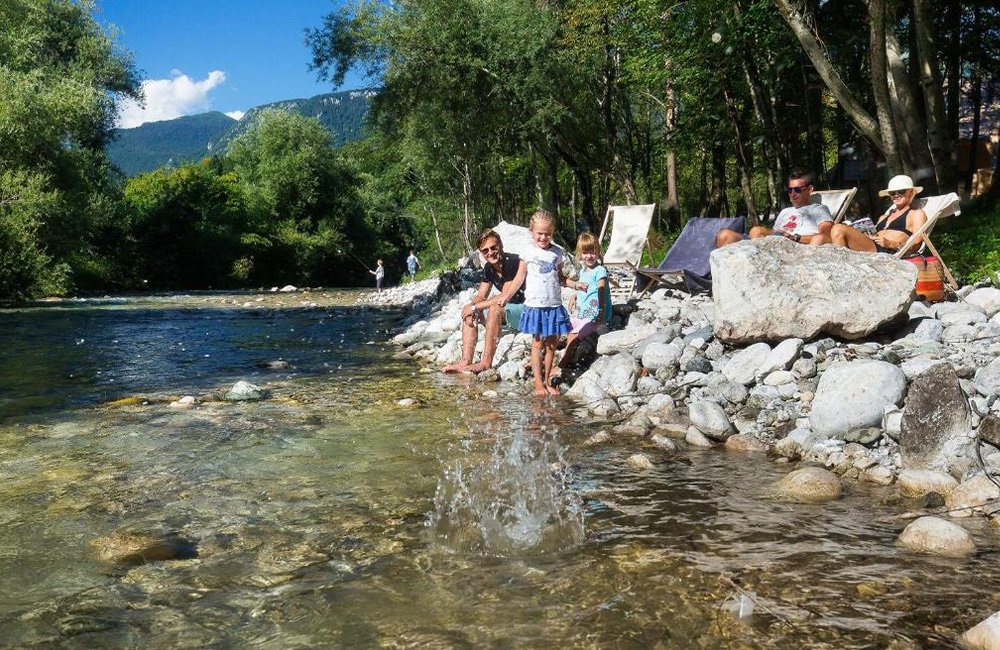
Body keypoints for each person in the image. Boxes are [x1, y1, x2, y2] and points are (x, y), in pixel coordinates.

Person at [443, 230, 527, 374]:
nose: (490, 253)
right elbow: (481, 295)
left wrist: (476, 307)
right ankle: (465, 361)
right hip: (509, 311)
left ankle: (486, 362)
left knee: (494, 308)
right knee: (469, 311)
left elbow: (504, 296)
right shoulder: (489, 268)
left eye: (494, 247)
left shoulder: (513, 263)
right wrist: (471, 308)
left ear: (500, 245)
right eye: (485, 250)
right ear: (481, 253)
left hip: (528, 311)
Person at [518, 209, 572, 396]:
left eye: (547, 234)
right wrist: (504, 298)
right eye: (539, 233)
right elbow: (519, 278)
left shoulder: (557, 253)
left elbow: (560, 278)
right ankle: (538, 384)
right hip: (535, 305)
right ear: (531, 231)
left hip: (554, 305)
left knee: (551, 345)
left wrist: (576, 284)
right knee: (537, 343)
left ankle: (548, 379)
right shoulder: (527, 252)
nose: (543, 237)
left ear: (553, 232)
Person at [715, 170, 834, 247]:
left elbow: (825, 237)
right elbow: (773, 232)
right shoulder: (785, 211)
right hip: (774, 243)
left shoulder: (819, 209)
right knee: (724, 235)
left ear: (810, 189)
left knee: (756, 231)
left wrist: (795, 238)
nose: (793, 193)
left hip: (797, 245)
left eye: (797, 189)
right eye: (789, 190)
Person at [827, 174, 927, 255]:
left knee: (838, 229)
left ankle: (841, 269)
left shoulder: (916, 214)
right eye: (892, 193)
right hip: (872, 247)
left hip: (888, 251)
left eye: (901, 191)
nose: (896, 195)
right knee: (826, 236)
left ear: (911, 192)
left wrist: (891, 243)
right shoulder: (884, 217)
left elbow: (917, 242)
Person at [558, 232, 611, 372]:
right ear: (580, 254)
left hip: (594, 314)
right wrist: (574, 296)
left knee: (574, 336)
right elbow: (584, 286)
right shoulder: (583, 271)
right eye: (585, 252)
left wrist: (601, 313)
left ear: (598, 252)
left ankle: (561, 365)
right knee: (567, 331)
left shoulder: (600, 270)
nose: (589, 256)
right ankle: (562, 357)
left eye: (593, 252)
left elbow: (600, 291)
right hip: (584, 312)